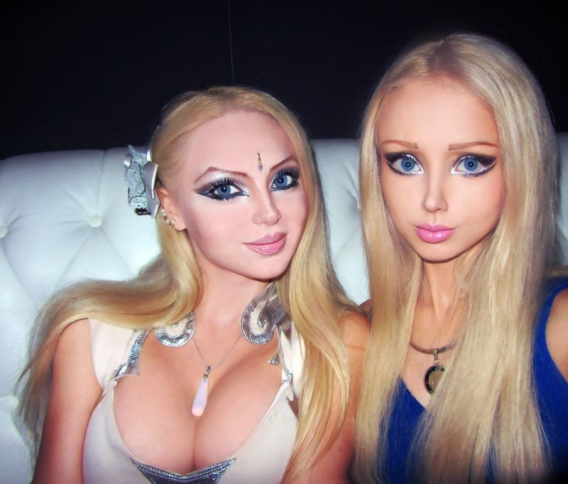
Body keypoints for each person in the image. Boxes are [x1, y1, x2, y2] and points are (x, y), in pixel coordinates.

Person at [20, 86, 367, 483]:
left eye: (283, 179)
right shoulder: (91, 333)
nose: (268, 212)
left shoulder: (337, 342)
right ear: (171, 206)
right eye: (225, 189)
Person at [353, 33, 568, 483]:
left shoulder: (560, 325)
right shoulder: (359, 334)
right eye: (405, 162)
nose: (432, 200)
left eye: (470, 163)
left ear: (523, 166)